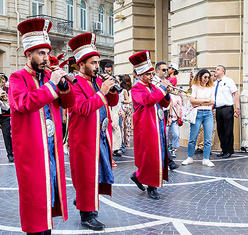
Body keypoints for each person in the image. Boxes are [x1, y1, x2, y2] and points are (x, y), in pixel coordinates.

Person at [9, 18, 75, 234]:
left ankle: (46, 226)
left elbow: (68, 103)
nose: (46, 58)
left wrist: (63, 84)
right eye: (41, 53)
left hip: (52, 147)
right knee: (34, 194)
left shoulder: (49, 76)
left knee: (50, 190)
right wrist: (51, 84)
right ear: (29, 54)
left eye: (47, 53)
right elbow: (23, 103)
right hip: (31, 150)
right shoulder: (17, 77)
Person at [68, 33, 119, 231]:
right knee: (86, 176)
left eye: (98, 62)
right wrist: (102, 92)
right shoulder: (75, 84)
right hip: (83, 139)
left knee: (96, 175)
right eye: (92, 63)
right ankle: (87, 215)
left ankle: (86, 204)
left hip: (100, 137)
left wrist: (111, 88)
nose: (97, 66)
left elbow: (112, 102)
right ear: (81, 64)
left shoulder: (97, 81)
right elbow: (82, 108)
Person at [129, 50, 171, 199]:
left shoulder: (153, 86)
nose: (151, 77)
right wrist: (162, 89)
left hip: (157, 125)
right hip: (146, 127)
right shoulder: (136, 88)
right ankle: (151, 187)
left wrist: (167, 93)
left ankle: (138, 176)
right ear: (140, 75)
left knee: (158, 155)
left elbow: (163, 102)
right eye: (148, 74)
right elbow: (148, 100)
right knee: (151, 156)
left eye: (152, 74)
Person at [182, 69, 215, 167]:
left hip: (208, 113)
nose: (207, 79)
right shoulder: (195, 87)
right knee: (193, 137)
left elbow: (212, 101)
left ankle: (206, 159)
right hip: (197, 113)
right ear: (200, 76)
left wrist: (199, 101)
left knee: (208, 138)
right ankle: (189, 157)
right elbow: (192, 101)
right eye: (205, 77)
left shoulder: (211, 88)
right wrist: (205, 100)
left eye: (208, 77)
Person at [153, 61, 179, 170]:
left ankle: (168, 161)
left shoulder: (166, 81)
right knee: (159, 138)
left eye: (167, 70)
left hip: (163, 111)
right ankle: (168, 162)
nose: (166, 72)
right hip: (153, 112)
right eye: (164, 70)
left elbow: (169, 100)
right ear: (157, 70)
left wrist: (169, 115)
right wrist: (163, 88)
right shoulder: (153, 81)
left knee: (162, 137)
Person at [214, 65, 240, 158]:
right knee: (220, 130)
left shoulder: (229, 81)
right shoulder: (215, 83)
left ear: (223, 71)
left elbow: (236, 94)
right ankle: (223, 149)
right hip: (218, 109)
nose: (215, 71)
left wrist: (237, 108)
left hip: (227, 108)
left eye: (218, 69)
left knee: (228, 130)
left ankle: (229, 150)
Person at [0, 73, 13, 162]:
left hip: (5, 115)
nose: (2, 81)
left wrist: (4, 99)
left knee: (7, 135)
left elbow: (10, 102)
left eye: (3, 79)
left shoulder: (7, 89)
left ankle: (10, 154)